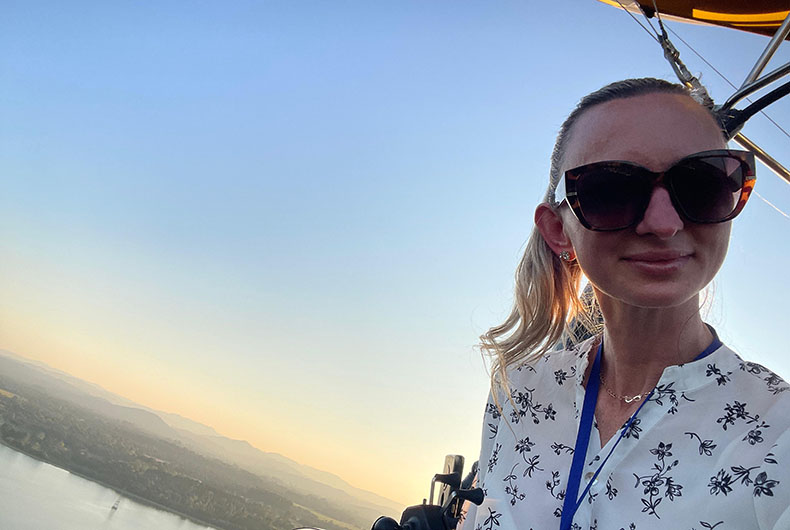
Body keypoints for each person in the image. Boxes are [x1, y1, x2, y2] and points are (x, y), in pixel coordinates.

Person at [462, 78, 790, 530]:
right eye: (611, 190)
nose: (663, 223)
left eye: (701, 183)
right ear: (558, 231)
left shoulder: (777, 436)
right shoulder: (518, 392)